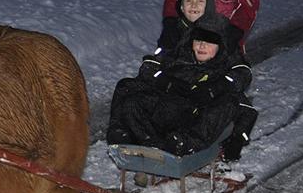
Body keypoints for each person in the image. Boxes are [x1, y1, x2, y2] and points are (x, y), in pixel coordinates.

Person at [107, 12, 257, 160]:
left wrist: (238, 138)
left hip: (193, 121)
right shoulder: (178, 55)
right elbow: (149, 67)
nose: (202, 46)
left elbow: (244, 105)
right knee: (127, 86)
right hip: (167, 111)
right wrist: (166, 82)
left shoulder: (225, 68)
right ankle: (127, 135)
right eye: (198, 40)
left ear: (221, 46)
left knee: (227, 103)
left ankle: (183, 144)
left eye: (209, 42)